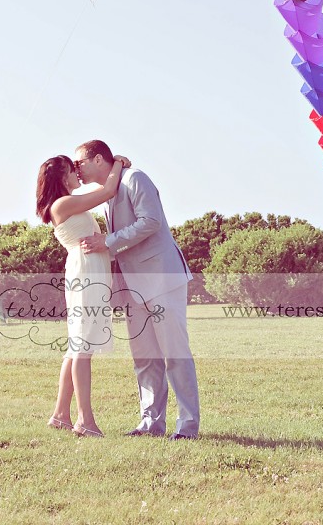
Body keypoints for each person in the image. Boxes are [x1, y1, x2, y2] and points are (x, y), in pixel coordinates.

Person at [76, 140, 200, 440]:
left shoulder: (135, 178)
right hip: (133, 287)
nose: (76, 169)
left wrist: (107, 241)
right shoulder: (108, 192)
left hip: (162, 277)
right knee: (144, 358)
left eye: (80, 162)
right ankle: (150, 423)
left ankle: (187, 426)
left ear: (97, 159)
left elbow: (151, 221)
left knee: (175, 354)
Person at [36, 153, 129, 437]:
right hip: (85, 271)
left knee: (77, 345)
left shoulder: (68, 202)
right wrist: (118, 163)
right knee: (82, 347)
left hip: (88, 269)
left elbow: (104, 190)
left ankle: (60, 415)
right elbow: (108, 190)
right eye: (71, 169)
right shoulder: (62, 204)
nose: (77, 173)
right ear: (60, 177)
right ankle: (85, 420)